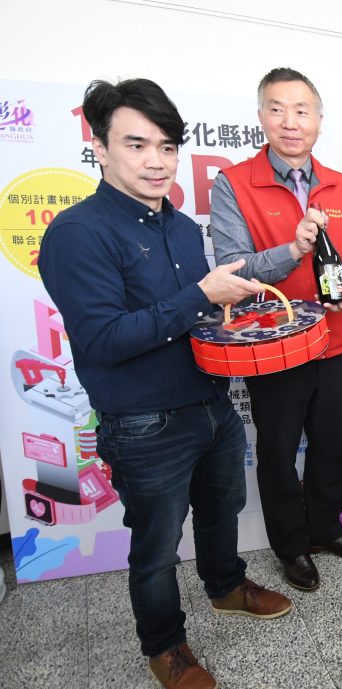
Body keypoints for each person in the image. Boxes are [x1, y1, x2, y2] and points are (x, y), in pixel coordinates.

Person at [39, 78, 292, 689]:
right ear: (100, 148)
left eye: (168, 147)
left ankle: (226, 586)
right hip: (143, 422)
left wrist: (231, 309)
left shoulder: (179, 227)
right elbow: (103, 339)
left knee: (223, 509)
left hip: (211, 402)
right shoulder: (77, 232)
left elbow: (190, 316)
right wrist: (201, 294)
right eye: (137, 144)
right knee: (155, 547)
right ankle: (165, 646)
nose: (156, 161)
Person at [211, 67, 342, 594]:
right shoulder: (234, 183)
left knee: (331, 443)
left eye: (302, 111)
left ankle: (326, 529)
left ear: (319, 121)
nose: (290, 122)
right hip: (274, 347)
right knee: (278, 454)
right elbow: (233, 269)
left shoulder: (341, 183)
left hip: (337, 340)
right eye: (277, 109)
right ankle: (291, 546)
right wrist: (294, 249)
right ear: (261, 117)